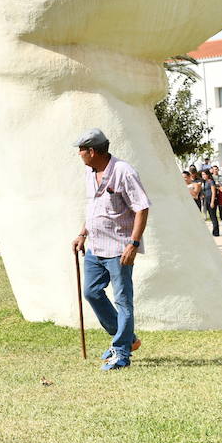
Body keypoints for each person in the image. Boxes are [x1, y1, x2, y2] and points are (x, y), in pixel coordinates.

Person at [71, 129, 148, 372]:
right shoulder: (88, 171)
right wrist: (83, 233)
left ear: (92, 151)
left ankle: (121, 353)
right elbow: (93, 207)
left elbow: (142, 208)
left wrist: (133, 244)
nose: (80, 155)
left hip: (119, 248)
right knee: (92, 292)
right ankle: (127, 338)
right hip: (95, 246)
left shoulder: (124, 172)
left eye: (81, 150)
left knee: (123, 300)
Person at [201, 168, 222, 237]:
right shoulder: (204, 182)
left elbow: (213, 192)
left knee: (213, 216)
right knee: (210, 216)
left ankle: (216, 232)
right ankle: (214, 231)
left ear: (208, 174)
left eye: (204, 174)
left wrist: (212, 202)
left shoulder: (211, 181)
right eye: (202, 175)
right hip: (206, 200)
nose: (203, 176)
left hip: (211, 200)